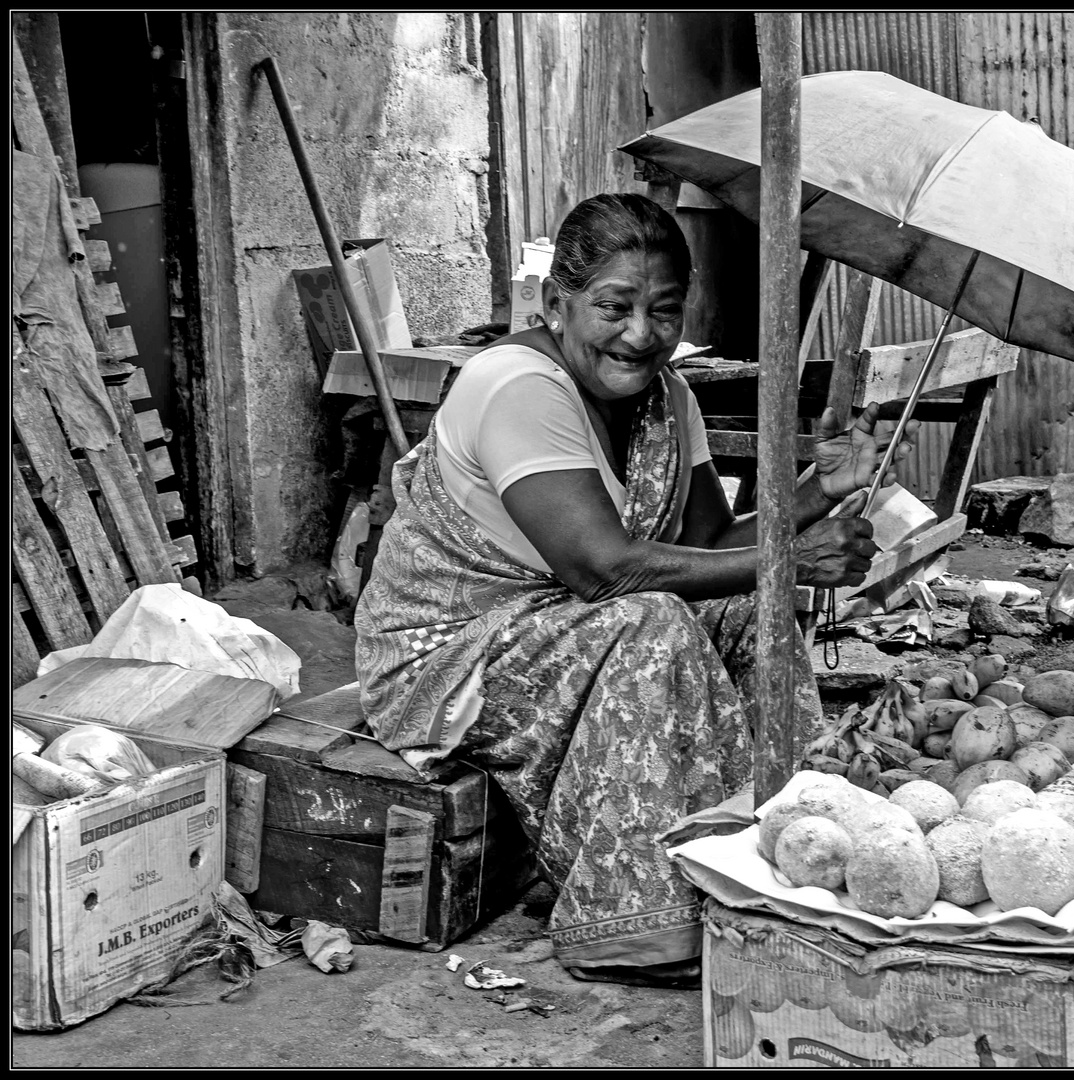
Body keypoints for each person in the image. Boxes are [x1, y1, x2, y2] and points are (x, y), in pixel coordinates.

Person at [354, 192, 915, 985]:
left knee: (742, 608)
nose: (641, 334)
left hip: (567, 625)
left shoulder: (666, 396)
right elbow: (606, 568)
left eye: (664, 310)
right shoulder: (514, 385)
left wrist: (814, 494)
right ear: (557, 304)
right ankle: (631, 927)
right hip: (450, 655)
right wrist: (795, 560)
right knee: (650, 623)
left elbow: (707, 548)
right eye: (613, 307)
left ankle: (783, 851)